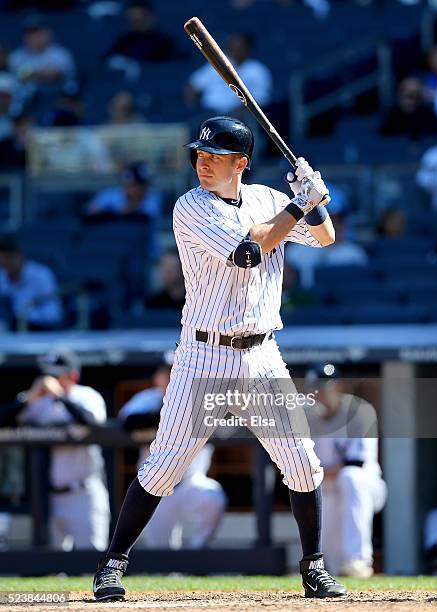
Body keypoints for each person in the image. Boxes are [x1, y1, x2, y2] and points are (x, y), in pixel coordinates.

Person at [92, 115, 348, 602]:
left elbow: (324, 237)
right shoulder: (190, 206)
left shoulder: (268, 198)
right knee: (165, 467)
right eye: (200, 156)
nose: (203, 164)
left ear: (242, 163)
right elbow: (248, 251)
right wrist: (300, 202)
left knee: (300, 461)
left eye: (215, 157)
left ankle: (314, 566)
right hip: (203, 354)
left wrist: (314, 199)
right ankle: (111, 564)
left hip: (262, 354)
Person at [0, 349, 110, 551]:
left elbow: (92, 423)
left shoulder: (87, 396)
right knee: (52, 568)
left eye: (56, 374)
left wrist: (60, 397)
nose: (49, 380)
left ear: (73, 376)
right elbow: (3, 420)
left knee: (92, 560)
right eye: (47, 374)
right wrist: (27, 399)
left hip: (84, 494)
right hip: (49, 496)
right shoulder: (37, 400)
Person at [118, 360, 226, 549]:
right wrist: (171, 413)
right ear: (157, 378)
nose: (171, 377)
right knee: (160, 550)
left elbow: (228, 428)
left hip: (191, 483)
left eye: (176, 372)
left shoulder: (203, 398)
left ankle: (196, 556)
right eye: (167, 373)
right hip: (157, 483)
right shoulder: (147, 399)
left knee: (213, 497)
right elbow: (127, 422)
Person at [305, 363, 387, 578]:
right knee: (331, 564)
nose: (319, 394)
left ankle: (359, 559)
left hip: (365, 484)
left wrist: (315, 472)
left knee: (350, 478)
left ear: (338, 387)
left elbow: (355, 463)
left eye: (324, 388)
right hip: (326, 486)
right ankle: (327, 570)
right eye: (315, 388)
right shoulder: (306, 416)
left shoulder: (359, 411)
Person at [286, 191, 368, 288]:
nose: (333, 224)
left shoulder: (355, 254)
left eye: (337, 219)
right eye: (324, 219)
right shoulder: (295, 251)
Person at [185, 32, 272, 115]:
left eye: (239, 46)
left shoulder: (257, 70)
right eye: (232, 45)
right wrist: (192, 106)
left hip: (240, 116)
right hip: (209, 114)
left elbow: (261, 100)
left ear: (247, 48)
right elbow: (193, 85)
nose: (235, 49)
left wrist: (241, 111)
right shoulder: (217, 63)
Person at [0, 233, 63, 330]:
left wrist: (22, 316)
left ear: (20, 256)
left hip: (38, 333)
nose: (7, 264)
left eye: (10, 258)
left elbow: (53, 314)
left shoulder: (41, 276)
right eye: (3, 260)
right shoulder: (2, 276)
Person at [8, 14, 76, 100]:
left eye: (38, 32)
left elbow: (55, 75)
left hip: (57, 97)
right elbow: (18, 74)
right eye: (30, 34)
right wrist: (39, 72)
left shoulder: (60, 53)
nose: (35, 37)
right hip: (27, 100)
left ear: (48, 34)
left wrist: (30, 72)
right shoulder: (16, 56)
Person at [104, 0, 179, 64]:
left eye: (142, 17)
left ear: (151, 17)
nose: (138, 21)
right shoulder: (123, 42)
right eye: (134, 19)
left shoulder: (164, 42)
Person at [379, 77, 437, 141]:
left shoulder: (428, 116)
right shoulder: (390, 116)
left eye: (416, 96)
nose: (412, 100)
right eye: (409, 96)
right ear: (399, 95)